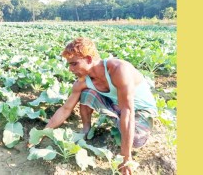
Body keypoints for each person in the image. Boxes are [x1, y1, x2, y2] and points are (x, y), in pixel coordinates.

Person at [45, 37, 157, 175]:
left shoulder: (118, 70)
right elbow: (65, 109)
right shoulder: (82, 81)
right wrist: (43, 132)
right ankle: (86, 129)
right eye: (69, 64)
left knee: (135, 140)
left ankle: (121, 126)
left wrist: (125, 157)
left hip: (139, 110)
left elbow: (128, 111)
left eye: (74, 64)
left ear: (89, 59)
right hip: (117, 107)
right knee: (86, 93)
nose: (70, 69)